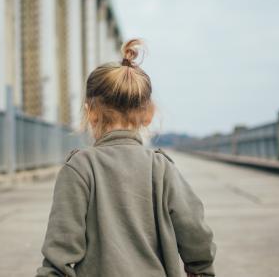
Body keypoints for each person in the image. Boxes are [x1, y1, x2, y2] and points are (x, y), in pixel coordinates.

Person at [36, 39, 216, 277]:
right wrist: (202, 270)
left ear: (90, 113)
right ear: (148, 115)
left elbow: (59, 254)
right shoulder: (160, 167)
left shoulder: (80, 167)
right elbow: (195, 231)